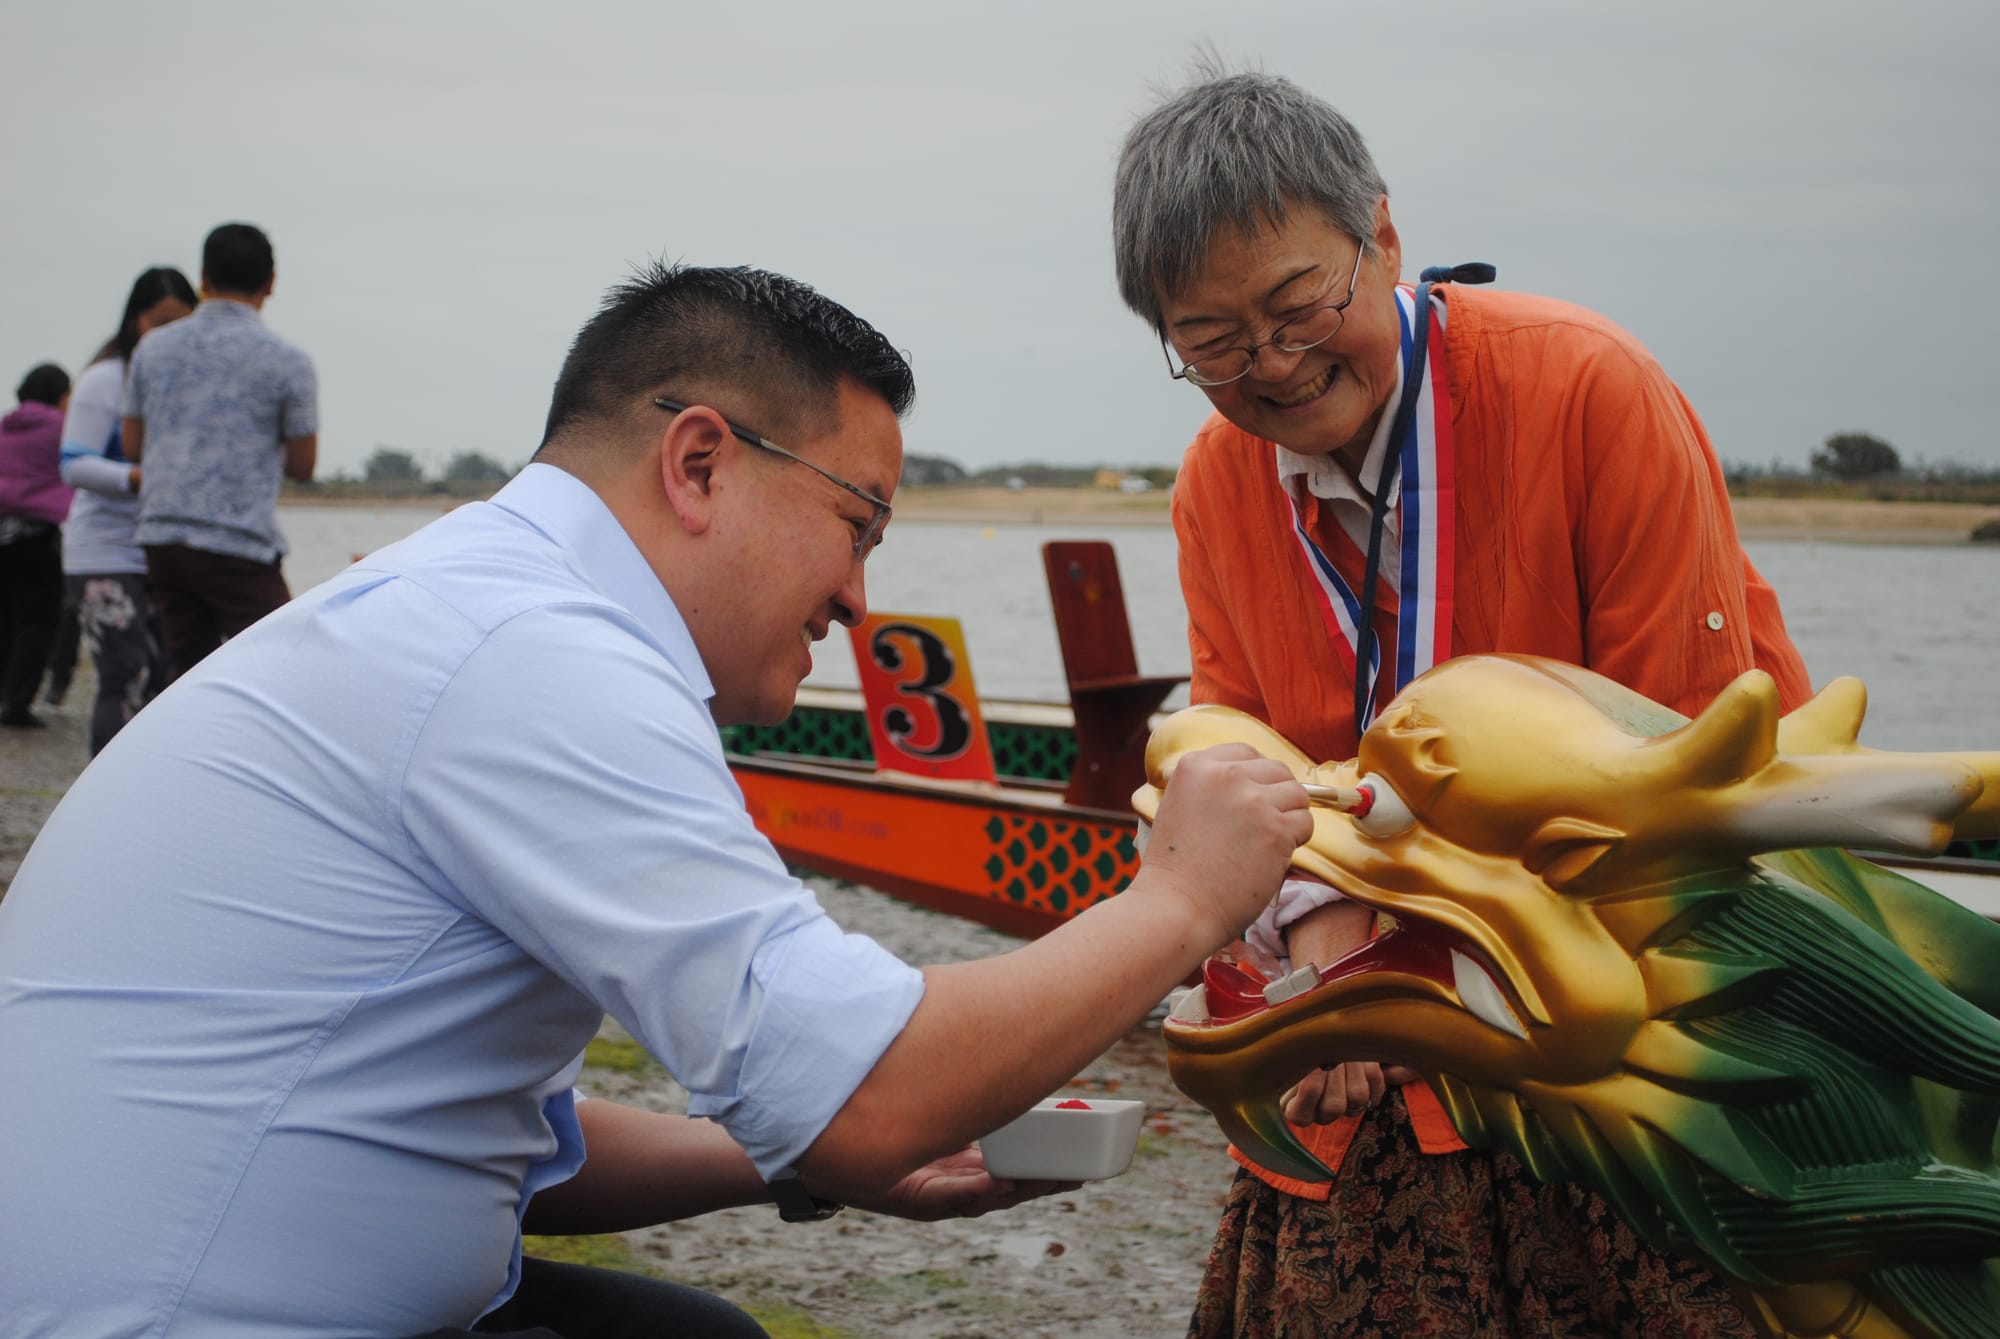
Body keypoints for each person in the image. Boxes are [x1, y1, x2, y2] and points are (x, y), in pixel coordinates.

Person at [0, 261, 1316, 1338]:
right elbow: (876, 1091)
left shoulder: (476, 603)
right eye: (860, 522)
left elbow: (514, 1140)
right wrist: (1185, 893)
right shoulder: (533, 654)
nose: (861, 594)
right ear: (699, 462)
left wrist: (797, 1158)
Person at [1112, 69, 1811, 1338]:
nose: (1269, 364)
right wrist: (1328, 947)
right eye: (1208, 341)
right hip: (1357, 1028)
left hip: (1627, 1015)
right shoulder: (1217, 479)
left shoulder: (1586, 387)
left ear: (1381, 235)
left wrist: (1407, 960)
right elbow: (1233, 756)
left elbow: (1682, 753)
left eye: (1297, 303)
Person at [122, 221, 317, 681]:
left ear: (204, 280)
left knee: (187, 675)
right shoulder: (288, 361)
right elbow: (303, 466)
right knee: (283, 670)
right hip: (238, 541)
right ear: (270, 283)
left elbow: (133, 447)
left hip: (163, 537)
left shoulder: (153, 349)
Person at [57, 266, 194, 753]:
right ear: (136, 320)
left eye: (183, 323)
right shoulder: (105, 379)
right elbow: (73, 464)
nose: (169, 335)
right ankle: (101, 796)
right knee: (126, 671)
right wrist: (137, 478)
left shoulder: (185, 384)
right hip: (100, 553)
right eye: (160, 322)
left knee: (164, 674)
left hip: (160, 550)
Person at [0, 361, 73, 727]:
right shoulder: (62, 428)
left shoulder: (5, 423)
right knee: (39, 619)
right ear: (60, 395)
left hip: (3, 532)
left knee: (6, 616)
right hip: (37, 534)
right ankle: (17, 701)